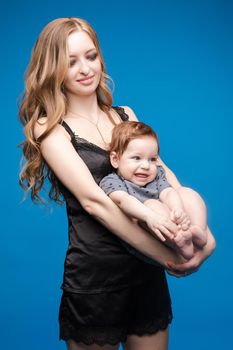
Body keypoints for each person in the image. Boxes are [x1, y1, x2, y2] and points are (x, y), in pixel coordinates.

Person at [19, 17, 216, 350]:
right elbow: (96, 203)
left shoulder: (125, 114)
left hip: (145, 278)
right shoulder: (49, 128)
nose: (85, 68)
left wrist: (201, 239)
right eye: (71, 62)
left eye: (91, 56)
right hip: (97, 282)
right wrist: (168, 256)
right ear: (53, 69)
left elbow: (163, 176)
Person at [100, 121, 207, 261]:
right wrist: (149, 216)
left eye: (152, 159)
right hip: (146, 232)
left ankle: (198, 231)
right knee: (152, 204)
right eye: (136, 158)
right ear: (115, 159)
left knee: (185, 192)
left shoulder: (156, 175)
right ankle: (181, 245)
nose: (146, 165)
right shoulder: (111, 182)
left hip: (169, 221)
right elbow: (123, 200)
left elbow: (167, 192)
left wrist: (178, 209)